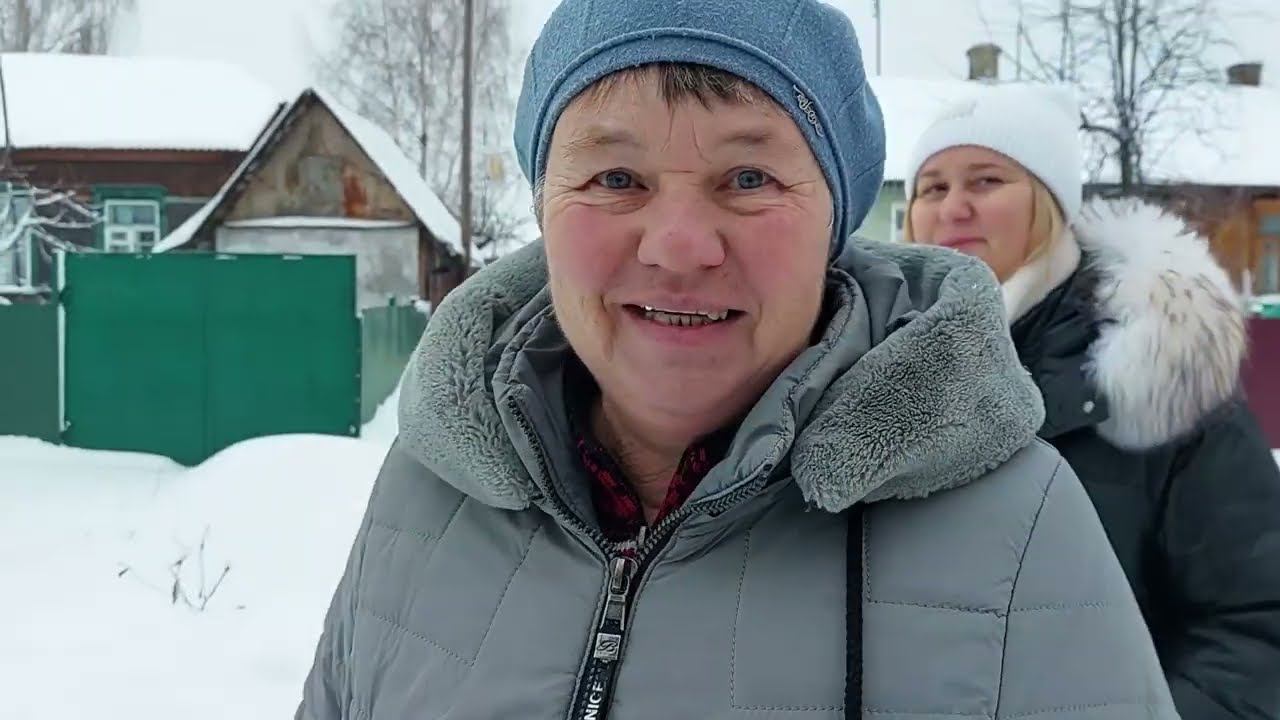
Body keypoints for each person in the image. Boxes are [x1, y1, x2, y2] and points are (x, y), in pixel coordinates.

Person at [296, 3, 1179, 718]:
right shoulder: (430, 488)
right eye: (615, 179)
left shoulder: (1017, 527)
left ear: (834, 225)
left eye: (749, 179)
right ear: (542, 207)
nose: (680, 246)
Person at [904, 82, 1280, 720]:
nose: (954, 208)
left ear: (1050, 203)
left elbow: (1255, 632)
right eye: (932, 188)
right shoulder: (874, 370)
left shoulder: (1159, 376)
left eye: (987, 181)